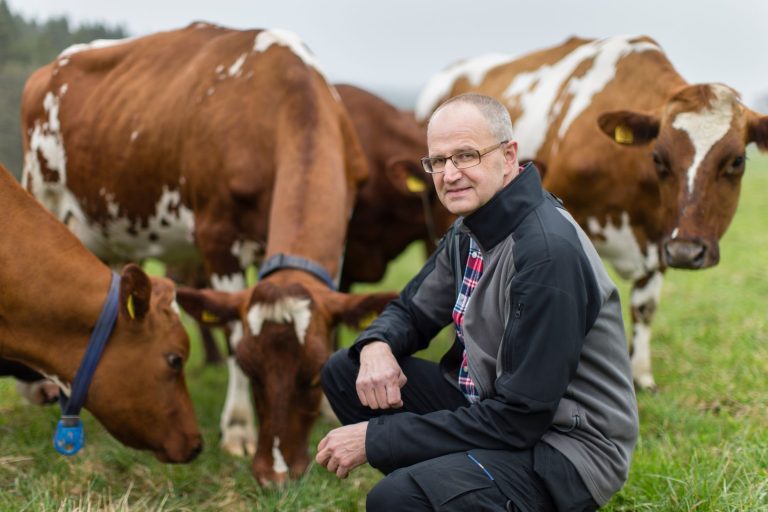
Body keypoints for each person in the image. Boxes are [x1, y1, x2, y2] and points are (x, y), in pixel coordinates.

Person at [316, 93, 639, 511]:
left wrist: (378, 439)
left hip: (564, 448)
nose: (450, 174)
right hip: (492, 409)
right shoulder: (472, 227)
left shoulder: (545, 254)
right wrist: (377, 345)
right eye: (438, 160)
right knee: (347, 372)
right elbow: (412, 310)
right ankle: (452, 485)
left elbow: (521, 416)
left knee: (396, 499)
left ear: (508, 157)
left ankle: (449, 489)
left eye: (466, 155)